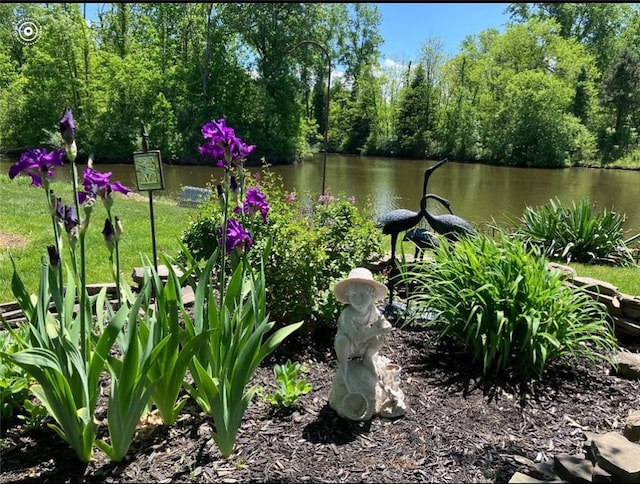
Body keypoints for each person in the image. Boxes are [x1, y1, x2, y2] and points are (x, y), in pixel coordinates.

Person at [333, 268, 392, 388]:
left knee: (379, 337)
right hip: (350, 344)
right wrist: (375, 330)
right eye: (354, 295)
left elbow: (381, 321)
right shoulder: (347, 315)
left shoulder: (372, 309)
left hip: (365, 340)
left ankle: (369, 357)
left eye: (363, 295)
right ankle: (343, 369)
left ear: (372, 295)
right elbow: (355, 337)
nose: (358, 300)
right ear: (348, 296)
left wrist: (385, 326)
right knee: (341, 341)